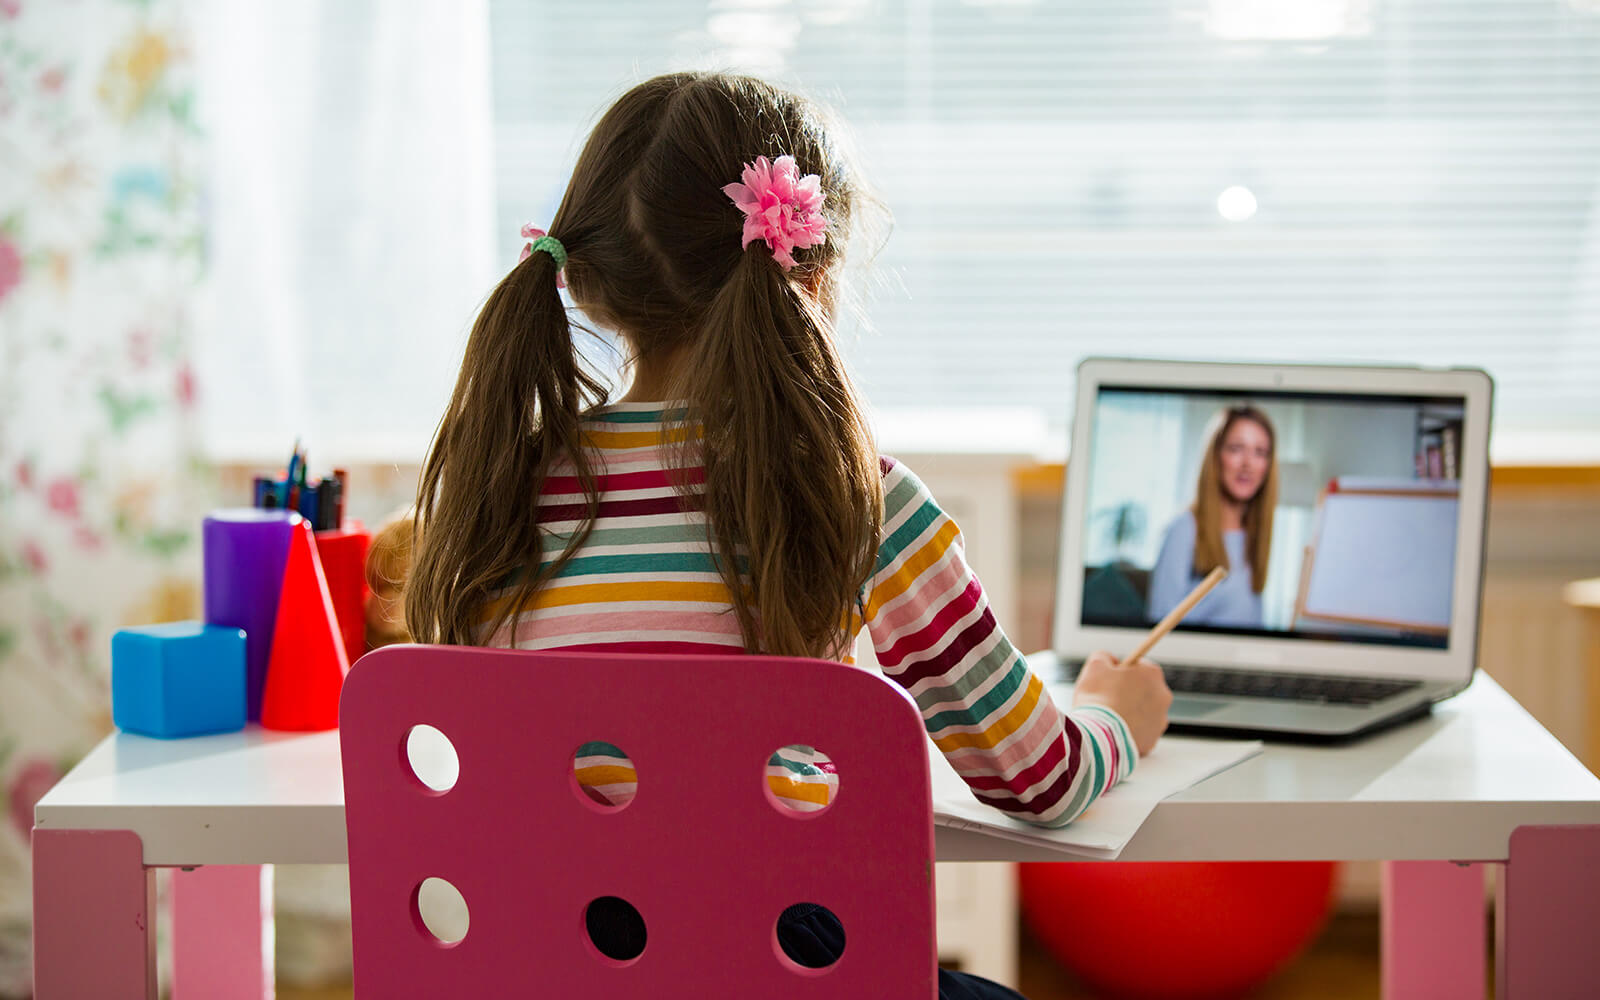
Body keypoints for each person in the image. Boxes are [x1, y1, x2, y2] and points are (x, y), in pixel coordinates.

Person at [403, 71, 1172, 999]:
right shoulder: (860, 500)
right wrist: (1114, 721)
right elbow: (1037, 780)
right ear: (810, 265)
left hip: (552, 971)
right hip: (788, 968)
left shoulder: (494, 493)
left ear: (587, 281)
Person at [1148, 405, 1279, 629]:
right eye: (1236, 448)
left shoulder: (1254, 535)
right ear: (1215, 455)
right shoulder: (1183, 529)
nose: (1248, 463)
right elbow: (1159, 622)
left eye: (1260, 452)